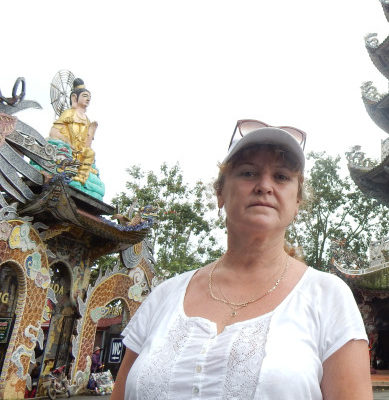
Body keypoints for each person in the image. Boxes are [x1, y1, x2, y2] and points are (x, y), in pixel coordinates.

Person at [109, 119, 372, 400]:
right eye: (248, 173)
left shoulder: (327, 296)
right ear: (220, 193)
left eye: (281, 177)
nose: (264, 186)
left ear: (297, 202)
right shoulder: (164, 297)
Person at [49, 78, 98, 184]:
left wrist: (90, 134)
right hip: (69, 150)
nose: (88, 99)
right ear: (74, 97)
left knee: (90, 153)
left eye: (89, 97)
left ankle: (81, 177)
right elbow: (53, 133)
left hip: (80, 154)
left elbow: (87, 146)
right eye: (85, 96)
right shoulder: (69, 113)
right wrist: (67, 141)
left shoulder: (87, 120)